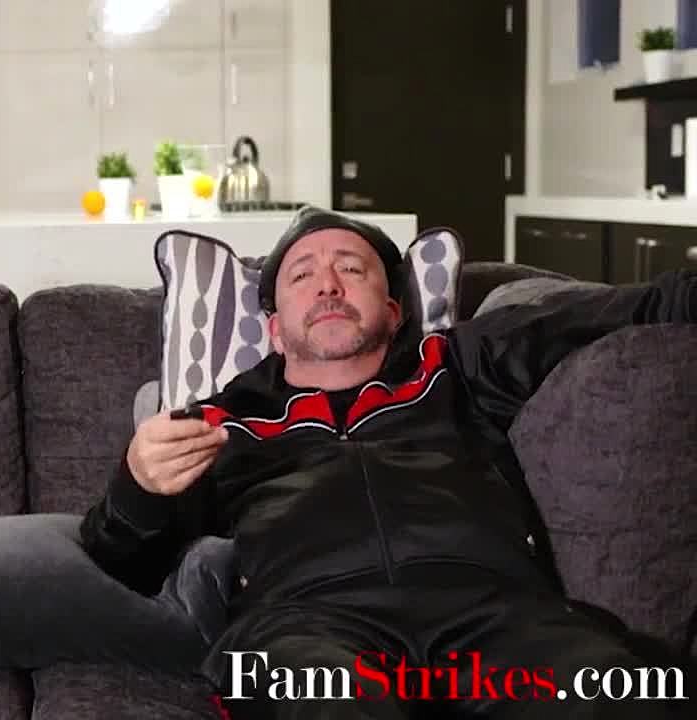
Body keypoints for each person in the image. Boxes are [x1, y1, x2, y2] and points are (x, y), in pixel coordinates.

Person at [80, 207, 694, 719]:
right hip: (306, 630)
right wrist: (137, 486)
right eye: (302, 275)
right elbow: (122, 563)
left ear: (394, 311)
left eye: (352, 268)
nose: (328, 285)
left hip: (497, 615)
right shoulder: (220, 423)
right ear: (274, 330)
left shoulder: (457, 362)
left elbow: (640, 304)